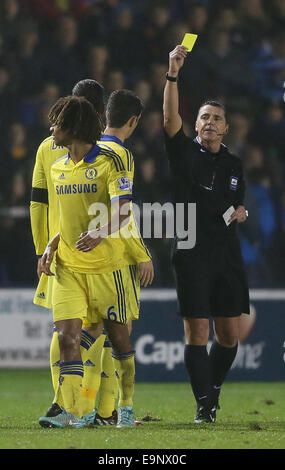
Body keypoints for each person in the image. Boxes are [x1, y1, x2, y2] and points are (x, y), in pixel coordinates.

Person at [30, 80, 153, 426]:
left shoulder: (113, 158)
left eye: (58, 121)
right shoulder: (54, 162)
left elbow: (123, 211)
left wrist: (132, 249)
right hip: (67, 265)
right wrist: (48, 246)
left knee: (115, 338)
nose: (51, 127)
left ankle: (119, 407)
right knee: (68, 335)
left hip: (107, 266)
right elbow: (54, 212)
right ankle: (70, 410)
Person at [163, 45, 250, 423]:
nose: (210, 122)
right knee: (197, 331)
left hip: (226, 254)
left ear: (226, 127)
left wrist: (242, 211)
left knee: (229, 336)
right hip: (192, 252)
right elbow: (169, 116)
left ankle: (210, 393)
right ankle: (204, 407)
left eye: (216, 118)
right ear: (195, 125)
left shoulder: (234, 163)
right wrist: (172, 74)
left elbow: (236, 203)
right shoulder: (183, 153)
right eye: (203, 117)